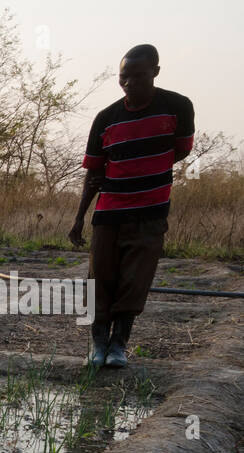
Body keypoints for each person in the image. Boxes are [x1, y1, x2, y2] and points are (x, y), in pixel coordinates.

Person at [69, 44, 194, 369]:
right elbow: (94, 174)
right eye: (124, 78)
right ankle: (98, 344)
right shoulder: (106, 119)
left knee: (135, 280)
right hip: (109, 212)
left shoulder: (177, 107)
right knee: (100, 279)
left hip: (150, 212)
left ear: (155, 72)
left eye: (138, 76)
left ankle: (118, 345)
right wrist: (80, 217)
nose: (130, 84)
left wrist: (147, 175)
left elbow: (179, 150)